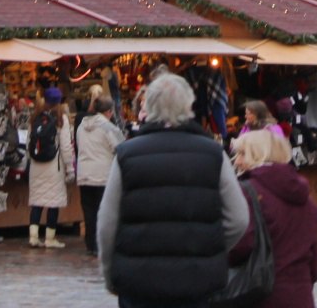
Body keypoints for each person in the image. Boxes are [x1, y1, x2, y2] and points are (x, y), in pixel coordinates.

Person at [98, 73, 251, 308]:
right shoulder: (212, 153)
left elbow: (107, 223)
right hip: (198, 280)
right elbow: (239, 218)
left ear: (148, 107)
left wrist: (110, 273)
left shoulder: (127, 155)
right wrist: (209, 247)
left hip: (140, 282)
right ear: (189, 106)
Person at [231, 129, 317, 308]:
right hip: (300, 296)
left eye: (242, 153)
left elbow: (241, 246)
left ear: (259, 154)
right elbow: (314, 260)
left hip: (261, 295)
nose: (237, 161)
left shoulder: (248, 193)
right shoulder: (307, 200)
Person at [75, 86, 126, 255]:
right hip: (103, 175)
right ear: (109, 111)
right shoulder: (108, 127)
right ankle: (101, 243)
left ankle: (91, 243)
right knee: (103, 210)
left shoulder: (82, 126)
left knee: (88, 211)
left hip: (84, 174)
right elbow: (121, 147)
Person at [28, 86, 76, 248]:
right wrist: (70, 168)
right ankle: (50, 238)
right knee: (52, 203)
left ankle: (33, 237)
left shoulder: (35, 117)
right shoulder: (61, 119)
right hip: (53, 167)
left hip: (36, 166)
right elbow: (65, 147)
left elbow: (29, 141)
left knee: (37, 201)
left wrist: (32, 159)